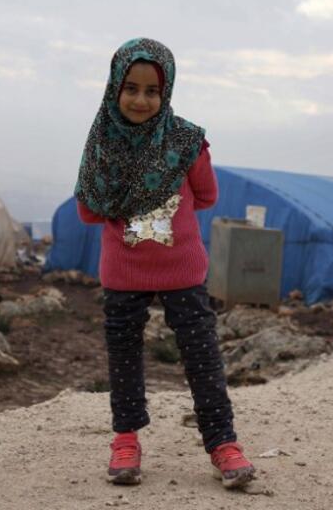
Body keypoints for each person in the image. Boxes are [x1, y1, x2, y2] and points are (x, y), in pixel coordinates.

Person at [75, 37, 255, 489]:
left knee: (202, 358)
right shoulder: (102, 144)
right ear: (114, 88)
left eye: (152, 91)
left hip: (183, 272)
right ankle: (125, 441)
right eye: (131, 88)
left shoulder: (187, 141)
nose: (141, 100)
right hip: (123, 274)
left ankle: (223, 444)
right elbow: (88, 209)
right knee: (124, 357)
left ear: (167, 91)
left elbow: (208, 194)